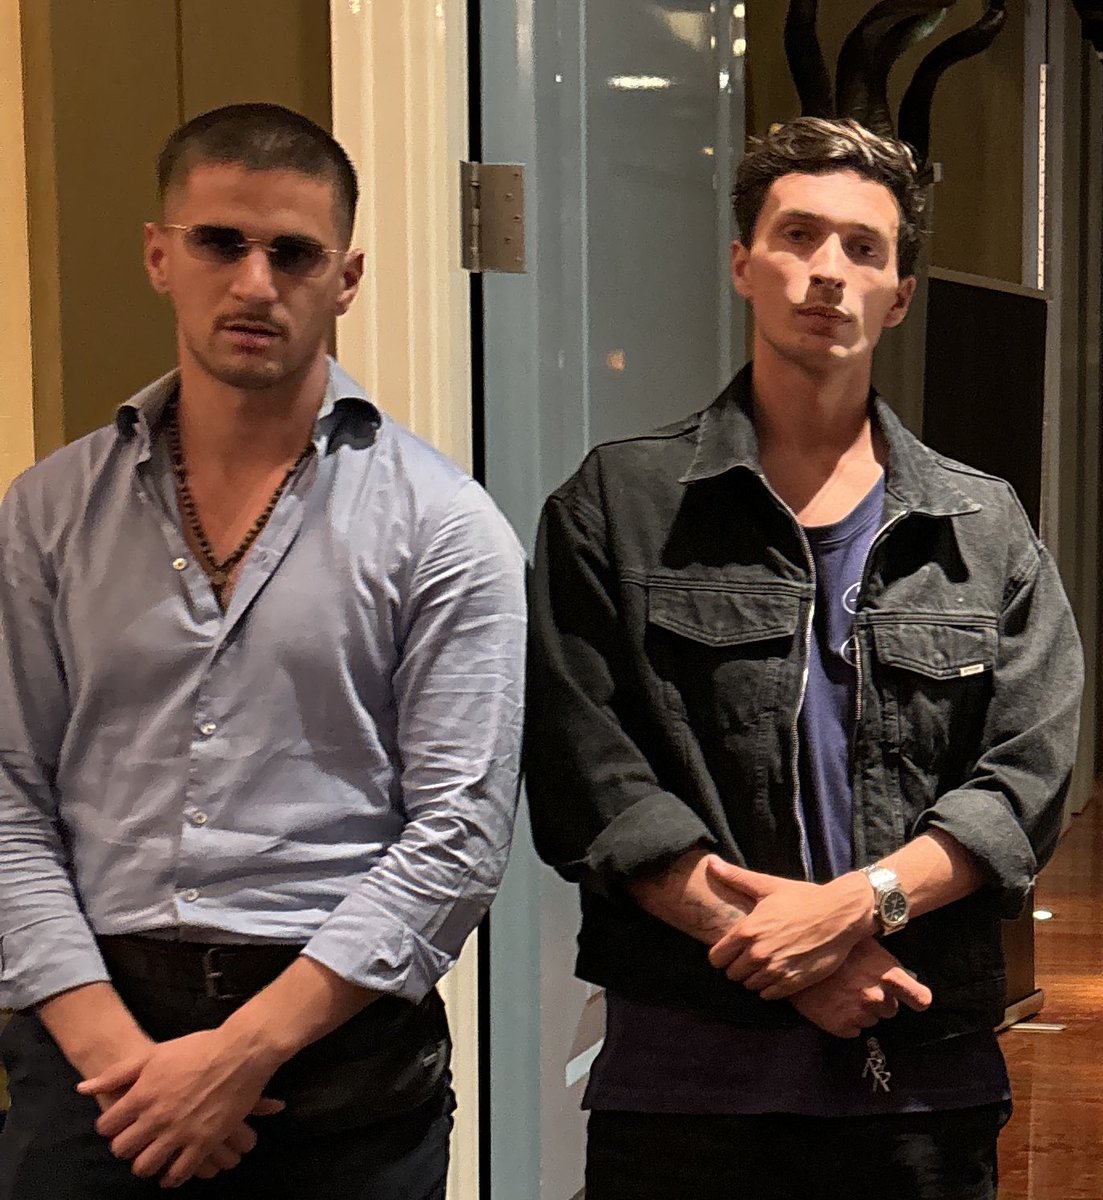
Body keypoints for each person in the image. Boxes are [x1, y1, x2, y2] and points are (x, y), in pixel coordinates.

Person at [525, 117, 1084, 1200]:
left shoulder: (982, 526)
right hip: (684, 1080)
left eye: (862, 248)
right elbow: (586, 774)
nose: (827, 270)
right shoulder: (617, 507)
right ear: (743, 262)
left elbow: (1026, 779)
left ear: (899, 294)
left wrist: (854, 909)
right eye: (797, 236)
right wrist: (781, 952)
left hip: (919, 1075)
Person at [0, 102, 525, 1200]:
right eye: (219, 243)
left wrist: (238, 1056)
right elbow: (7, 796)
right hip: (94, 1059)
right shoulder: (45, 514)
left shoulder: (445, 527)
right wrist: (125, 1065)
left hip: (340, 1072)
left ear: (346, 278)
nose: (254, 283)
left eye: (293, 253)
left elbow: (459, 833)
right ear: (159, 255)